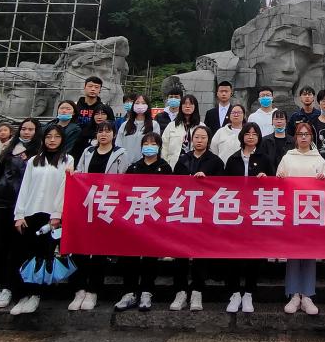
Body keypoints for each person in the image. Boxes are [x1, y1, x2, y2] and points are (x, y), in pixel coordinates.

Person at [10, 124, 74, 315]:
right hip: (30, 212)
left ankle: (36, 294)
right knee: (26, 254)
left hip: (50, 214)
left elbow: (64, 187)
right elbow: (25, 187)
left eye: (56, 136)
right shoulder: (33, 160)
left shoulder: (67, 159)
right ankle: (24, 294)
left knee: (43, 254)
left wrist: (57, 214)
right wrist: (19, 215)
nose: (52, 140)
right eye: (48, 136)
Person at [70, 121, 130, 311]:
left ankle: (93, 290)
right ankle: (79, 289)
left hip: (107, 205)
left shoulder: (120, 153)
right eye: (100, 131)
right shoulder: (87, 152)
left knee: (99, 249)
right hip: (86, 204)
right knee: (80, 248)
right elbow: (80, 173)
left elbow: (123, 178)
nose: (104, 134)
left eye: (107, 131)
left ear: (114, 134)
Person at [0, 117, 42, 309]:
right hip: (4, 201)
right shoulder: (9, 150)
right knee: (1, 246)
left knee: (18, 247)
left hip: (25, 205)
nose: (26, 132)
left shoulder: (39, 152)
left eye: (31, 129)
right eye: (24, 128)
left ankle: (9, 286)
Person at [276, 121, 325, 315]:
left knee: (309, 253)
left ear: (312, 137)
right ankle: (293, 294)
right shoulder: (288, 157)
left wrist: (324, 179)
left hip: (311, 212)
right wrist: (280, 177)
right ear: (296, 137)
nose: (304, 137)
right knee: (293, 253)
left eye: (307, 134)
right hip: (292, 211)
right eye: (301, 134)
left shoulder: (319, 159)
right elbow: (278, 180)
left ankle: (307, 295)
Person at [115, 132, 172, 312]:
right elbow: (124, 191)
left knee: (150, 256)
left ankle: (147, 291)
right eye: (146, 143)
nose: (149, 146)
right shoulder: (133, 167)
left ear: (159, 147)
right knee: (130, 255)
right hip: (134, 217)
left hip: (154, 218)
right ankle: (129, 292)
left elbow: (169, 193)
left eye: (153, 143)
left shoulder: (165, 167)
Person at [170, 124, 224, 312]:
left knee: (200, 253)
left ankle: (197, 291)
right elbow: (173, 184)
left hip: (204, 213)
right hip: (183, 211)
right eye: (196, 137)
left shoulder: (215, 161)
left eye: (203, 137)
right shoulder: (183, 159)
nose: (199, 140)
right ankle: (180, 291)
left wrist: (206, 180)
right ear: (191, 140)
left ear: (208, 140)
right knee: (180, 253)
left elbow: (221, 187)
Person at [221, 122, 272, 313]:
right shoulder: (233, 159)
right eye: (248, 133)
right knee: (233, 254)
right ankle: (234, 293)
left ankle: (249, 293)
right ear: (242, 136)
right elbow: (225, 186)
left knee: (253, 254)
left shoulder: (264, 159)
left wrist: (266, 179)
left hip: (256, 211)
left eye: (254, 134)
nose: (251, 136)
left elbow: (274, 185)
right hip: (236, 212)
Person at [74, 76, 114, 158]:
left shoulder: (104, 108)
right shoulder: (74, 106)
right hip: (76, 143)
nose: (93, 89)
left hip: (97, 142)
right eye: (90, 86)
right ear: (84, 87)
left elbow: (111, 125)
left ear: (100, 90)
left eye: (96, 87)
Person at [117, 93, 160, 162]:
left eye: (143, 103)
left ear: (148, 106)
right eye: (137, 103)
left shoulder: (154, 125)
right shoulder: (125, 125)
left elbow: (156, 144)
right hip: (125, 163)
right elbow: (118, 144)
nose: (140, 105)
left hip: (145, 163)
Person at [162, 94, 200, 168]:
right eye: (185, 104)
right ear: (180, 106)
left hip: (195, 166)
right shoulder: (171, 125)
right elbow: (164, 147)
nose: (187, 106)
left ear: (195, 107)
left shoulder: (201, 126)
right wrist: (165, 166)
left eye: (191, 104)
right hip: (173, 165)